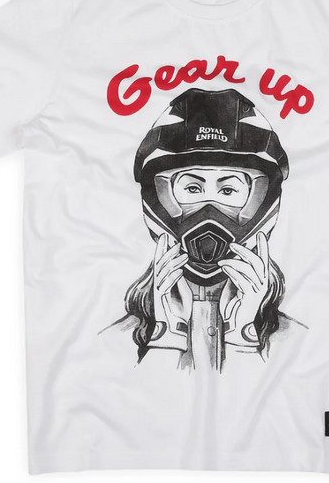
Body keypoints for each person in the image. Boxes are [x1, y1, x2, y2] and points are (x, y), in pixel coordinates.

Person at [101, 87, 308, 372]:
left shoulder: (299, 345)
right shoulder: (111, 345)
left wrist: (244, 333)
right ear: (160, 196)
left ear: (260, 199)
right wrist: (165, 333)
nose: (209, 210)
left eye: (228, 190)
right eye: (192, 188)